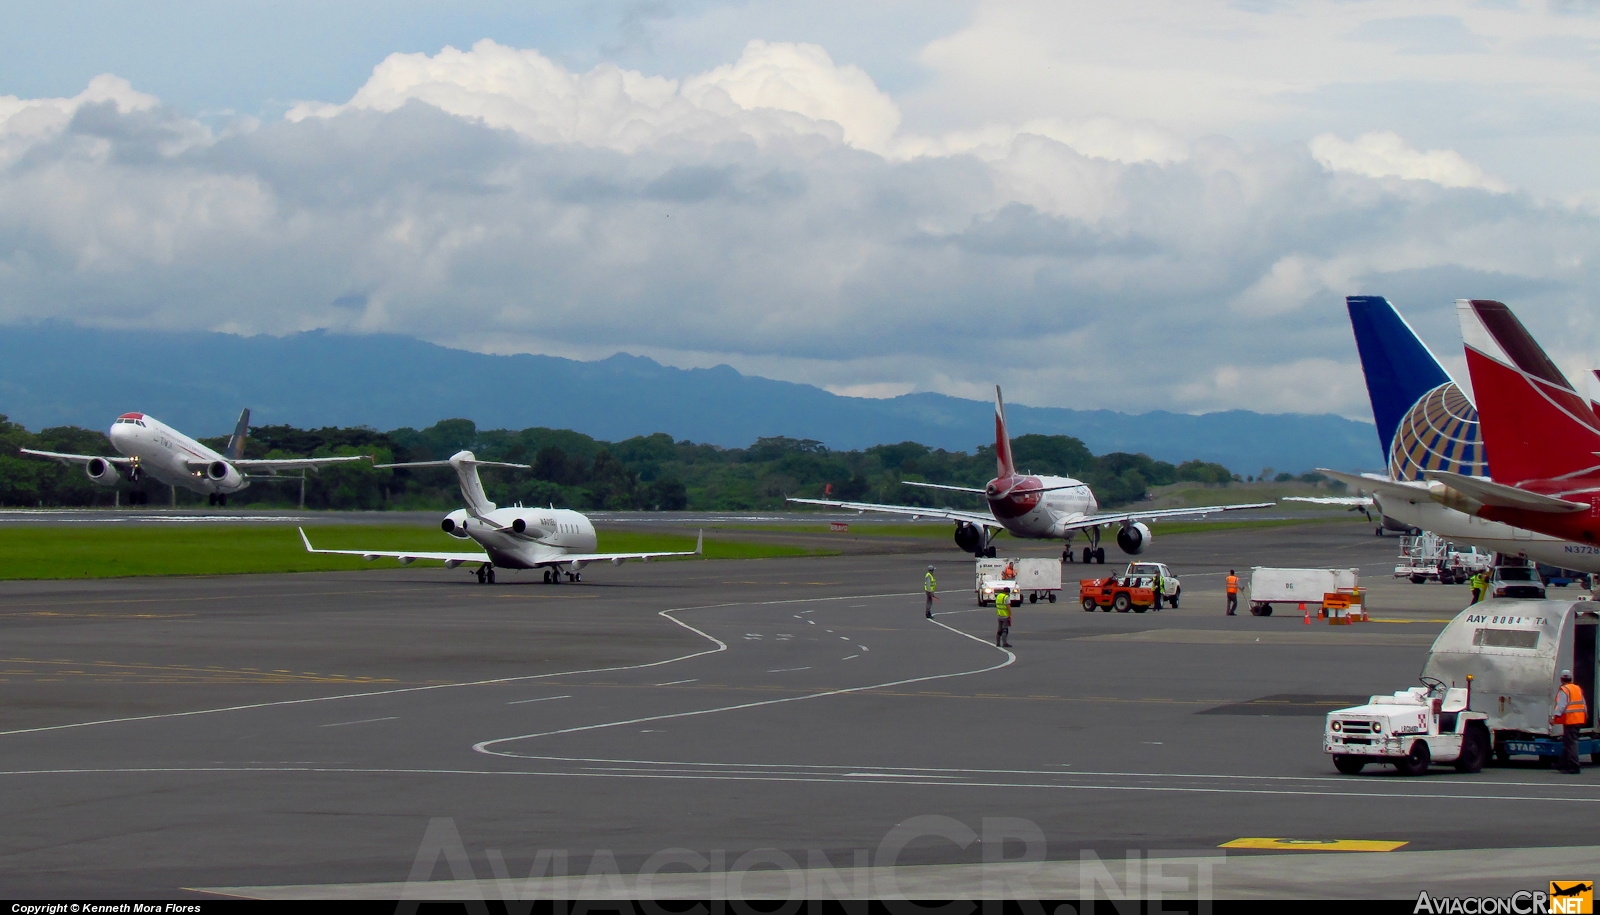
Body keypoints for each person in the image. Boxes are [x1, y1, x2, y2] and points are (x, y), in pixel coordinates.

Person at [1551, 669, 1587, 775]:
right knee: (1567, 742)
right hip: (1579, 719)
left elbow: (1561, 705)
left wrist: (1554, 717)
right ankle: (1563, 763)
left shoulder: (1564, 689)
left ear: (1561, 679)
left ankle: (1574, 766)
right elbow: (1583, 703)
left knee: (1571, 743)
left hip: (1572, 719)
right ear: (1570, 678)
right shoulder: (1577, 688)